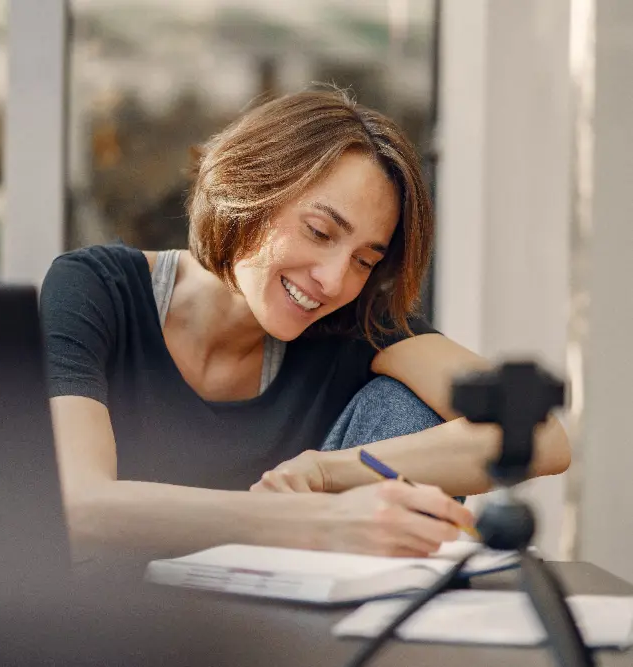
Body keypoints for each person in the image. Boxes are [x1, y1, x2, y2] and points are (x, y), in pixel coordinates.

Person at [40, 89, 570, 563]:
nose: (334, 281)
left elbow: (541, 436)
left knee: (404, 404)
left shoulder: (350, 322)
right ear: (251, 187)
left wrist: (328, 472)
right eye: (319, 231)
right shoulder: (95, 290)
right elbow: (80, 503)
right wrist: (317, 520)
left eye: (365, 260)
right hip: (111, 626)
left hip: (292, 627)